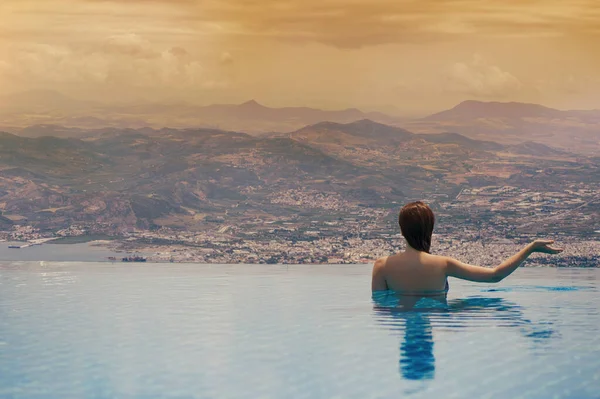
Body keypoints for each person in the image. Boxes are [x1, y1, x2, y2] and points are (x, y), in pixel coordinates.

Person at [371, 201, 563, 294]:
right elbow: (495, 275)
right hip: (437, 317)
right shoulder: (443, 264)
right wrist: (530, 248)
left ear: (402, 230)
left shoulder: (382, 266)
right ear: (429, 229)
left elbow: (380, 308)